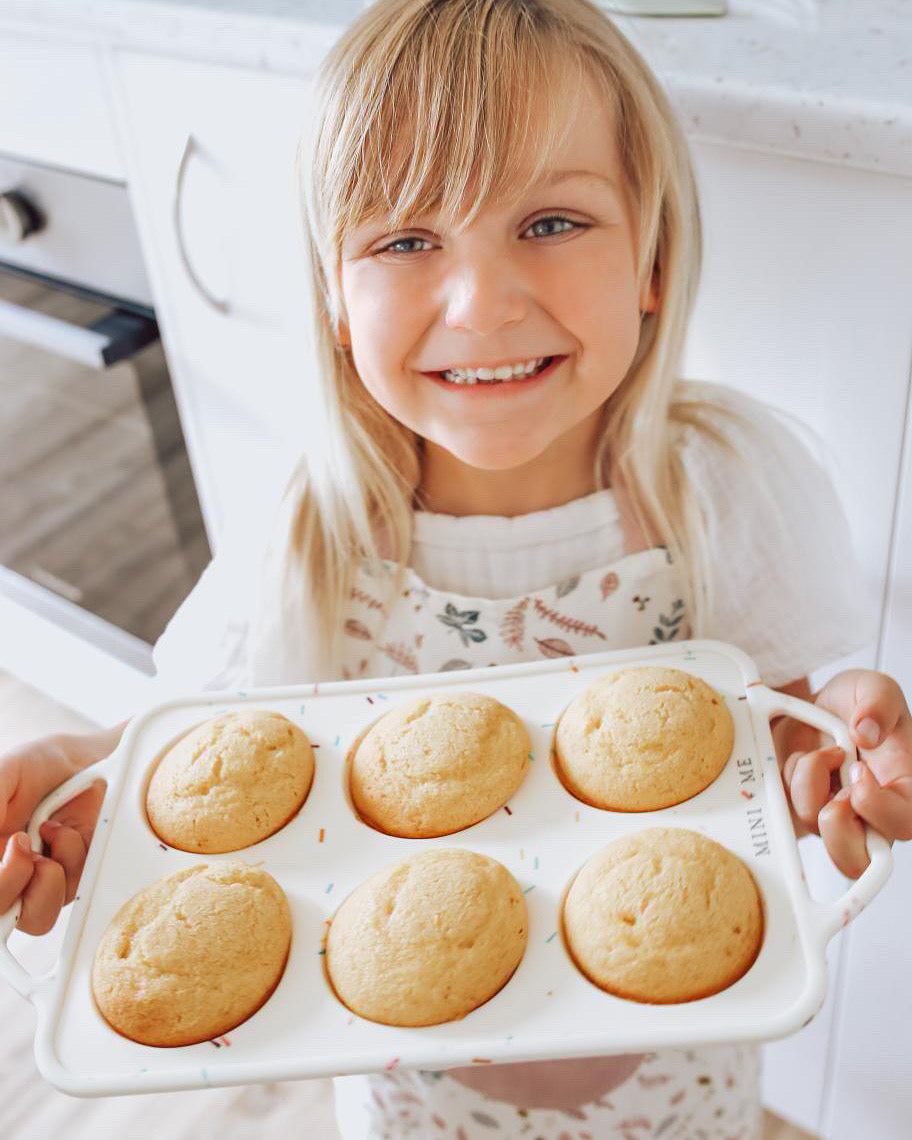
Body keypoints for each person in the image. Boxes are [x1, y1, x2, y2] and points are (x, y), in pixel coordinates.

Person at [2, 0, 911, 1135]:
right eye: (405, 241)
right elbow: (195, 766)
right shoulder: (320, 532)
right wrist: (75, 782)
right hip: (414, 1093)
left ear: (653, 260)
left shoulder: (721, 482)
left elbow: (770, 726)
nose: (482, 304)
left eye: (551, 222)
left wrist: (836, 740)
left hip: (682, 1075)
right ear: (337, 301)